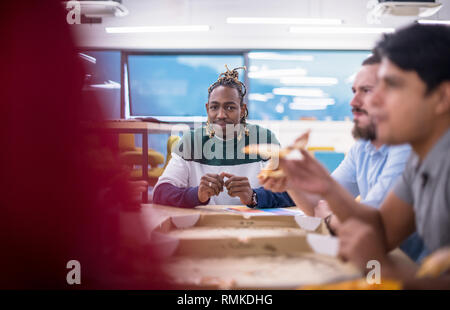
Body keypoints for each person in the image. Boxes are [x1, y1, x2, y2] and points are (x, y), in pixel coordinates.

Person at [275, 23, 450, 288]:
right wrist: (326, 186)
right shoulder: (421, 159)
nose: (370, 102)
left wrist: (384, 267)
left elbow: (377, 247)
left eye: (391, 85)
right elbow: (382, 229)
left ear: (442, 98)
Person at [260, 54, 425, 262]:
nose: (353, 102)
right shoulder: (363, 147)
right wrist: (290, 182)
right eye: (354, 91)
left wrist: (330, 216)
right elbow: (319, 205)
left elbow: (371, 227)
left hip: (409, 266)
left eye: (367, 91)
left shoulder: (408, 148)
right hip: (378, 261)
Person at [153, 67, 294, 208]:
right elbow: (160, 192)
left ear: (242, 109)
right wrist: (197, 195)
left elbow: (291, 193)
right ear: (207, 109)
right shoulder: (191, 141)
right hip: (203, 223)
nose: (221, 115)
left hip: (251, 224)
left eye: (230, 107)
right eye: (214, 107)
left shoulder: (263, 140)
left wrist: (253, 196)